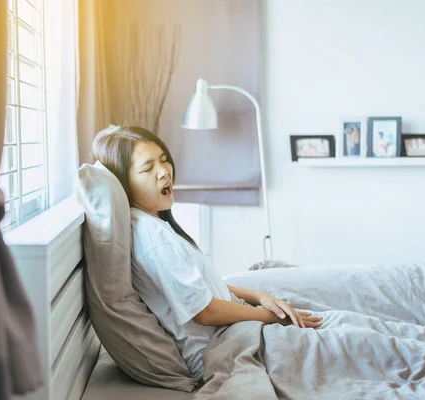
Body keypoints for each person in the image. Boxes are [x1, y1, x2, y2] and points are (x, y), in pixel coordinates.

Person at [92, 125, 322, 379]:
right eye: (148, 168)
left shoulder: (154, 226)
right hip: (217, 349)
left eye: (164, 160)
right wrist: (272, 318)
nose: (164, 172)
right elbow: (205, 312)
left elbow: (200, 288)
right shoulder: (154, 238)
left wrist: (259, 296)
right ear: (126, 184)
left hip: (230, 333)